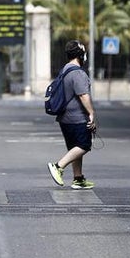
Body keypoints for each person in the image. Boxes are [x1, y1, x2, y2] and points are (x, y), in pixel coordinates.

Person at [46, 40, 97, 189]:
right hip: (77, 117)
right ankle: (58, 166)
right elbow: (83, 95)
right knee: (84, 145)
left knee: (74, 147)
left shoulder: (65, 70)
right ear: (81, 55)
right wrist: (91, 113)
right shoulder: (77, 73)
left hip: (65, 118)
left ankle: (78, 178)